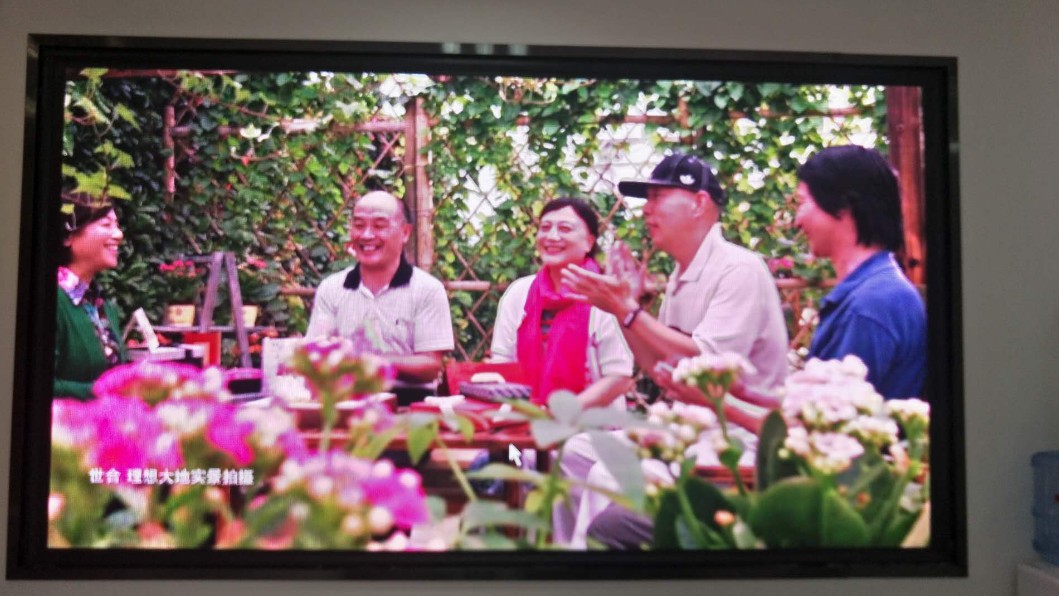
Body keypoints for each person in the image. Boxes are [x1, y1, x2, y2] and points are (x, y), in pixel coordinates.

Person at [556, 152, 789, 547]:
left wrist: (628, 311)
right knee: (573, 451)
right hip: (688, 433)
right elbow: (659, 368)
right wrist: (623, 310)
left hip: (737, 440)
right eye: (647, 200)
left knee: (608, 473)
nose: (646, 210)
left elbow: (707, 363)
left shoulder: (738, 269)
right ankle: (568, 555)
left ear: (699, 203)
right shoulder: (684, 273)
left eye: (658, 197)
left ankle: (593, 565)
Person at [793, 144, 926, 399]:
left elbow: (829, 417)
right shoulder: (873, 292)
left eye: (803, 202)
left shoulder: (870, 306)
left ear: (843, 205)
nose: (797, 220)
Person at [306, 190, 454, 406]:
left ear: (405, 233)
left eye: (379, 226)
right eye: (359, 225)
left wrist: (369, 361)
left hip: (410, 407)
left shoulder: (427, 290)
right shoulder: (331, 289)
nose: (366, 235)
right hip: (345, 405)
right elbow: (314, 353)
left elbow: (431, 366)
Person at [490, 197, 634, 408]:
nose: (552, 236)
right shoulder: (518, 293)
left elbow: (619, 377)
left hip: (593, 423)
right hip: (526, 418)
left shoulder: (605, 295)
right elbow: (502, 362)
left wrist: (563, 413)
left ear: (589, 242)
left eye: (565, 229)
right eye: (545, 228)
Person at [55, 193, 127, 400]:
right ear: (67, 236)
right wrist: (102, 393)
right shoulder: (51, 302)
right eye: (106, 224)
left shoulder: (103, 306)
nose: (119, 234)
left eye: (116, 225)